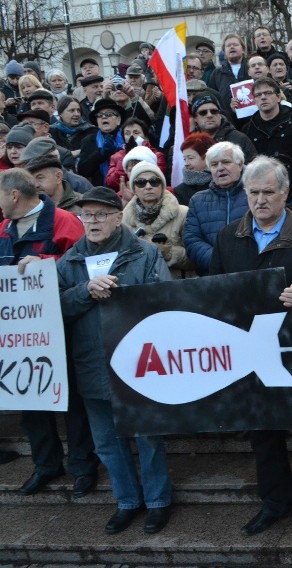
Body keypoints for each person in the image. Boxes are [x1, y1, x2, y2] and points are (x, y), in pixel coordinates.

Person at [208, 156, 292, 541]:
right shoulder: (229, 237)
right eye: (253, 192)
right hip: (249, 350)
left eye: (267, 192)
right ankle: (276, 501)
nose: (260, 200)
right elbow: (213, 290)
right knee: (263, 432)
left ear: (285, 193)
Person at [57, 186, 173, 535]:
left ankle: (157, 502)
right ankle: (126, 502)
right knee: (107, 442)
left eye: (99, 214)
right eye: (86, 214)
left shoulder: (145, 254)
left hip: (139, 364)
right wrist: (84, 292)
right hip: (92, 365)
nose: (91, 221)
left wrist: (125, 297)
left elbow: (165, 301)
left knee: (148, 437)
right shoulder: (70, 263)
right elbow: (56, 310)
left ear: (117, 216)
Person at [0, 168, 99, 498]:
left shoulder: (64, 221)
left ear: (14, 195)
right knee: (29, 401)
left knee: (72, 402)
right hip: (19, 334)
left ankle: (83, 466)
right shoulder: (3, 229)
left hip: (61, 327)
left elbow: (85, 266)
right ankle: (46, 464)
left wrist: (44, 261)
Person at [242, 78, 292, 207]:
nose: (263, 97)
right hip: (260, 198)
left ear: (278, 96)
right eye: (258, 95)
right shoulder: (248, 129)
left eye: (267, 93)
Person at [184, 141, 249, 275]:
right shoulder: (197, 201)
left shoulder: (254, 195)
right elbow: (192, 239)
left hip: (252, 272)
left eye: (226, 162)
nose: (220, 168)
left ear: (240, 164)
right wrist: (218, 260)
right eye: (214, 164)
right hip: (213, 276)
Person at [122, 163, 193, 279]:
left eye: (154, 181)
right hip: (141, 287)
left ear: (162, 185)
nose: (148, 186)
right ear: (134, 188)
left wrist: (169, 253)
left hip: (178, 286)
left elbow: (195, 258)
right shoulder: (125, 218)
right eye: (141, 182)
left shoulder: (183, 213)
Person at [190, 95, 257, 163]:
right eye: (203, 112)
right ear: (195, 118)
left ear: (220, 115)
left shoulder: (240, 139)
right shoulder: (190, 142)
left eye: (214, 111)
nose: (209, 115)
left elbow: (253, 169)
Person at [77, 98, 125, 186]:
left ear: (118, 120)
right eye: (99, 115)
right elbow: (83, 170)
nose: (103, 117)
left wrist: (117, 151)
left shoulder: (127, 136)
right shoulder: (88, 140)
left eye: (109, 114)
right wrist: (100, 154)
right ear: (97, 122)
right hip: (100, 191)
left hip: (125, 186)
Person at [173, 132, 216, 206]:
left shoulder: (223, 182)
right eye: (184, 159)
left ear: (207, 157)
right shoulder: (181, 191)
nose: (186, 163)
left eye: (190, 158)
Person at [207, 34, 250, 106]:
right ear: (224, 52)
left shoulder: (252, 67)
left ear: (243, 49)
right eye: (228, 45)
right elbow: (213, 97)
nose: (232, 47)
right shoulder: (217, 73)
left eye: (235, 44)